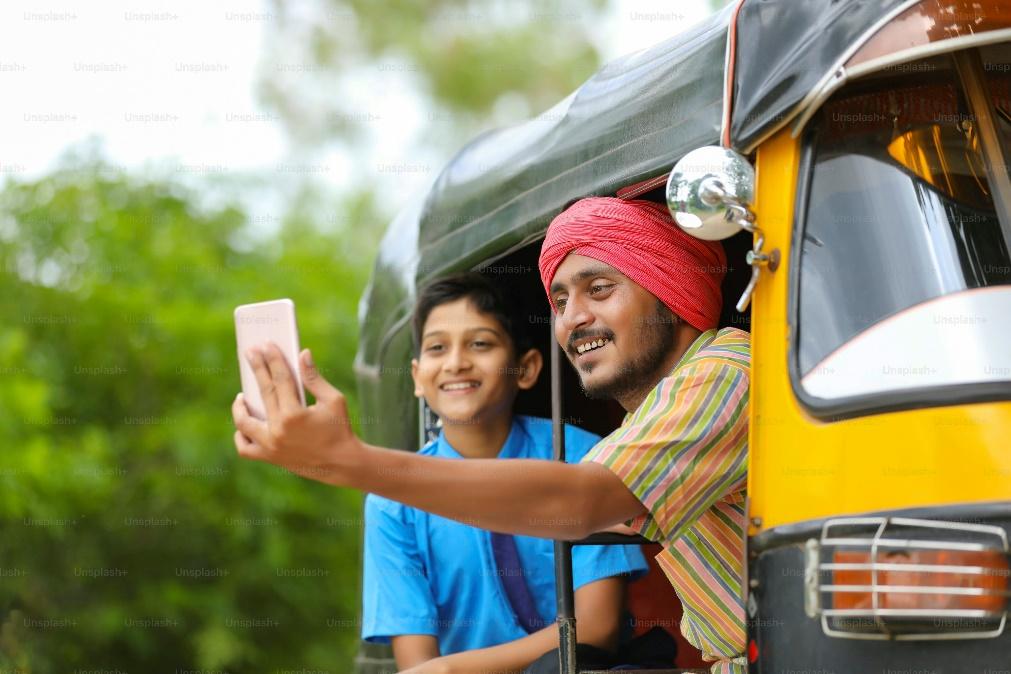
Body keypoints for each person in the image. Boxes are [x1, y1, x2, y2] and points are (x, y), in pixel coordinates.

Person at [231, 196, 751, 673]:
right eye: (561, 301)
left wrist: (350, 461)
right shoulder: (644, 426)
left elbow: (580, 502)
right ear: (415, 375)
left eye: (599, 289)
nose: (574, 318)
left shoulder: (722, 373)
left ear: (669, 287)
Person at [361, 272, 647, 673]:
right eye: (437, 348)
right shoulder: (393, 503)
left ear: (526, 368)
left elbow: (596, 629)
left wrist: (450, 670)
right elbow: (416, 663)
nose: (456, 363)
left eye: (480, 344)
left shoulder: (583, 457)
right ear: (417, 378)